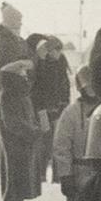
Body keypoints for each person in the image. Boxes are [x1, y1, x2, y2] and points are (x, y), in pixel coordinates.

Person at [50, 65, 98, 201]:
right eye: (87, 87)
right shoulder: (71, 113)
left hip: (99, 173)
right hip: (78, 174)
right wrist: (65, 175)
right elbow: (61, 146)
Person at [0, 58, 42, 201]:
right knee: (13, 194)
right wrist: (33, 131)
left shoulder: (19, 95)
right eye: (21, 76)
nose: (25, 79)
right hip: (14, 151)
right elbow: (13, 124)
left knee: (18, 194)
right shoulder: (9, 97)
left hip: (23, 151)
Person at [31, 37, 72, 183]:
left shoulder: (61, 62)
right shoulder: (41, 63)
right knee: (45, 141)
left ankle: (57, 175)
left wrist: (65, 102)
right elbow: (37, 87)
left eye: (60, 49)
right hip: (43, 109)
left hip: (58, 108)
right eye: (56, 49)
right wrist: (40, 108)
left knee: (58, 140)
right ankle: (41, 173)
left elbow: (65, 84)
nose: (59, 52)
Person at [0, 2, 31, 71]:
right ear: (10, 21)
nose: (21, 23)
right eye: (18, 20)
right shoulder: (3, 43)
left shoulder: (19, 40)